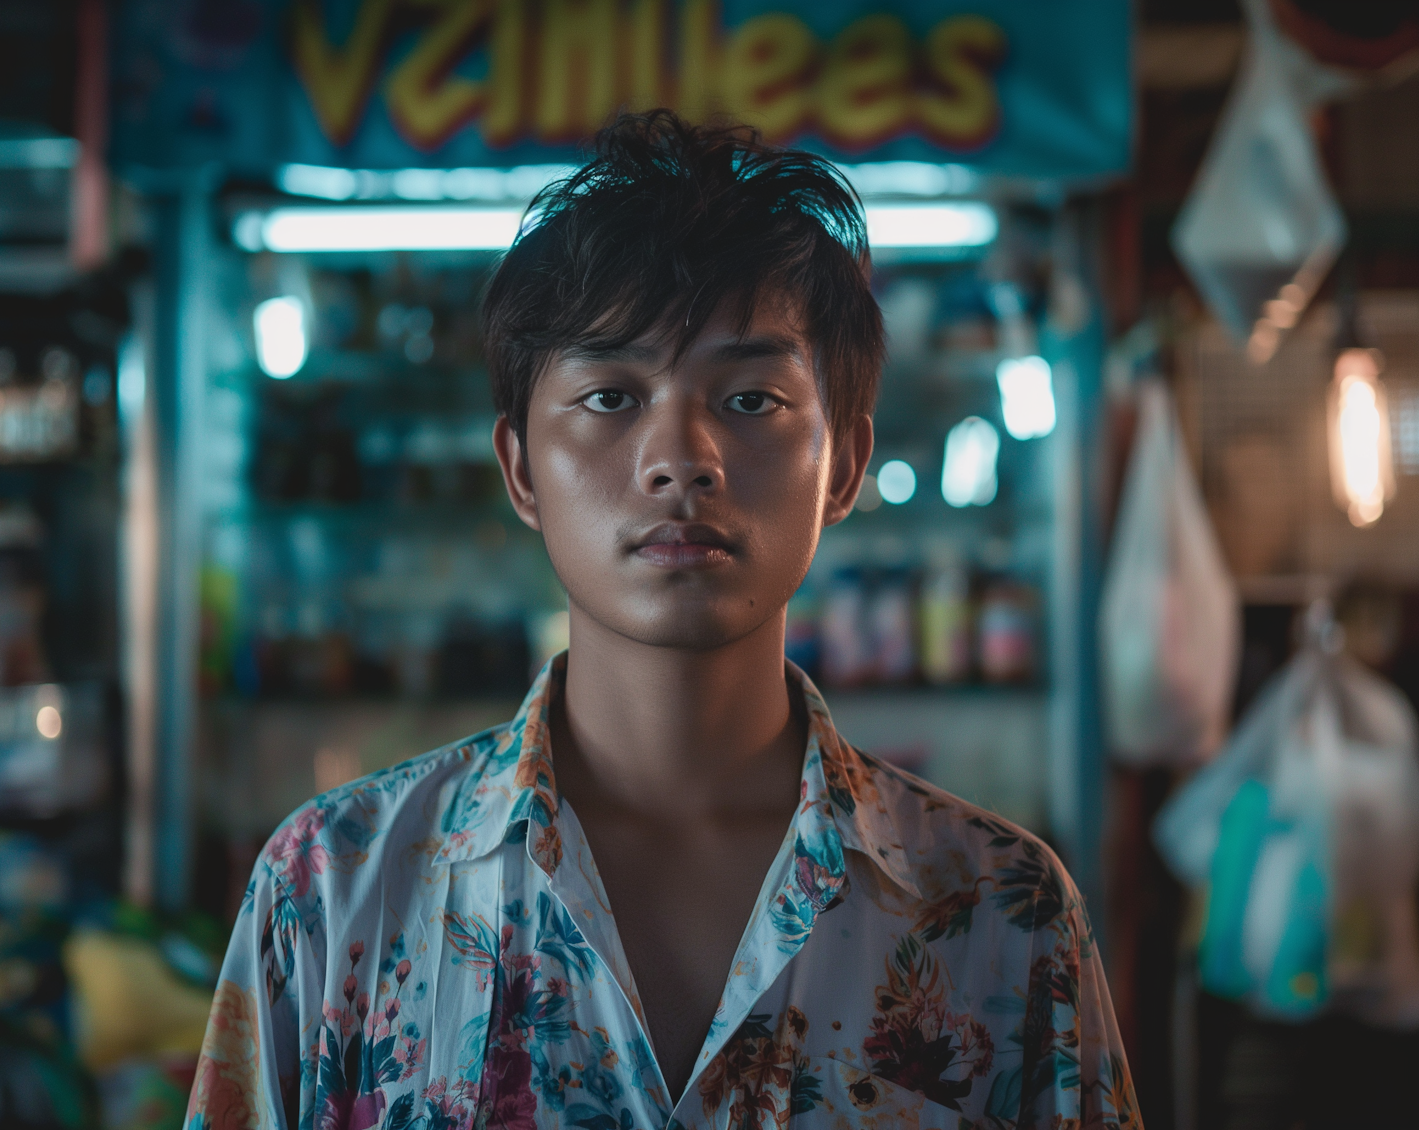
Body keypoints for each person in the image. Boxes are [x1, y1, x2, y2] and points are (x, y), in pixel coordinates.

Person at [184, 111, 1138, 1130]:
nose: (681, 458)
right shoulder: (329, 892)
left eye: (751, 399)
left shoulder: (1001, 913)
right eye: (609, 396)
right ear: (520, 469)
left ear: (845, 465)